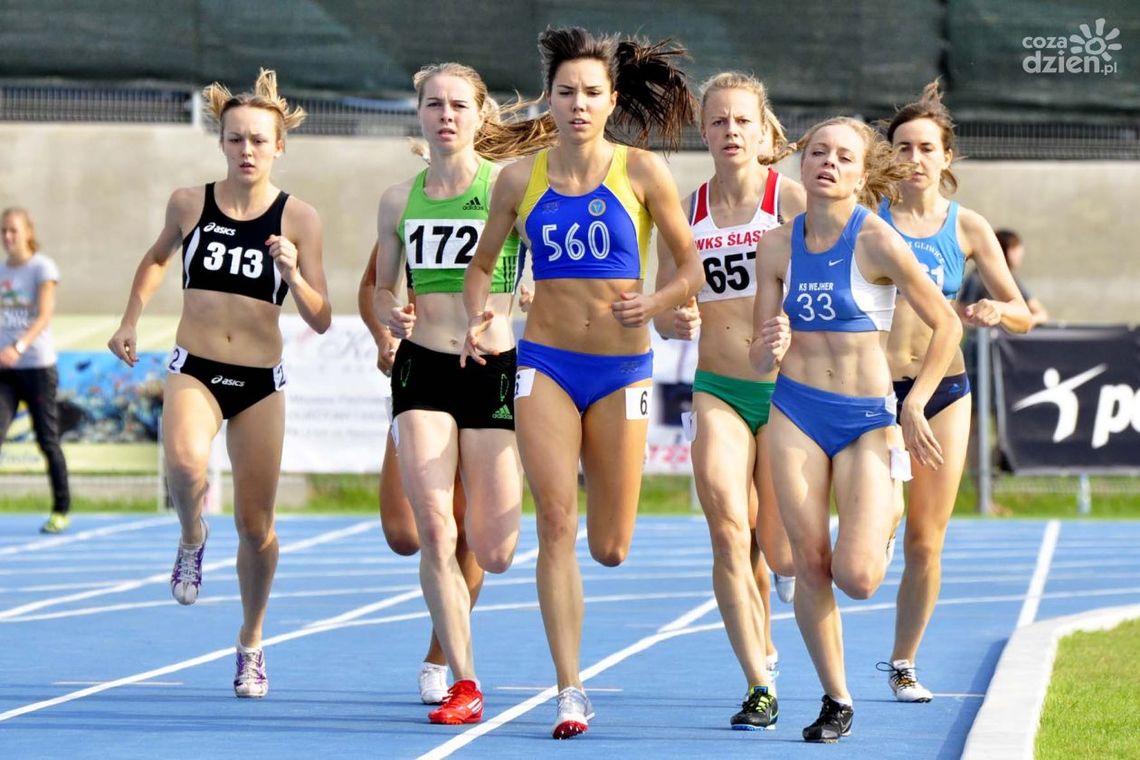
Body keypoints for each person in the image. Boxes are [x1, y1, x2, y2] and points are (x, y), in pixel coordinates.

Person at [462, 26, 704, 739]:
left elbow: (688, 269)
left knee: (610, 545)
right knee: (556, 522)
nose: (577, 104)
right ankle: (570, 688)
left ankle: (576, 667)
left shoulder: (642, 173)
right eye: (565, 92)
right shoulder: (519, 178)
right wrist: (481, 317)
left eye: (591, 93)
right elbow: (483, 266)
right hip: (544, 364)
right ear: (551, 97)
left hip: (623, 369)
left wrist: (657, 305)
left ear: (612, 100)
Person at [107, 69, 331, 698]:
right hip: (196, 366)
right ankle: (189, 535)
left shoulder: (300, 218)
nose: (247, 150)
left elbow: (321, 314)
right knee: (183, 463)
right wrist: (130, 319)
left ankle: (251, 642)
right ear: (222, 143)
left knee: (256, 525)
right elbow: (156, 259)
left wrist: (294, 271)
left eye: (259, 140)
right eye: (236, 139)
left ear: (279, 145)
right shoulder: (190, 202)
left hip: (260, 379)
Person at [750, 116, 962, 742]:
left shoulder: (876, 240)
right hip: (795, 411)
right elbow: (762, 355)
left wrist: (915, 403)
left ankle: (883, 522)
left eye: (844, 157)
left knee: (859, 577)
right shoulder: (777, 245)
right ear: (801, 163)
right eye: (818, 152)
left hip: (870, 418)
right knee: (807, 562)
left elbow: (946, 325)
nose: (829, 164)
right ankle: (835, 698)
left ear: (863, 173)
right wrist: (771, 340)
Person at [373, 62, 552, 725]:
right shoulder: (399, 199)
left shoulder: (510, 186)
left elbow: (547, 257)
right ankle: (465, 680)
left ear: (481, 116)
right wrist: (389, 312)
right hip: (424, 367)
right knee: (433, 527)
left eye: (457, 105)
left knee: (496, 549)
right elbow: (380, 284)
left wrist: (527, 291)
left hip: (492, 367)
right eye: (433, 104)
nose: (445, 115)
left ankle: (459, 646)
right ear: (419, 115)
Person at [653, 71, 804, 730]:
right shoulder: (685, 212)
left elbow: (831, 291)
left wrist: (795, 321)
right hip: (717, 386)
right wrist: (675, 320)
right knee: (726, 531)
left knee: (779, 549)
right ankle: (758, 683)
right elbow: (664, 308)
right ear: (705, 132)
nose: (731, 131)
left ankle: (783, 590)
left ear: (764, 130)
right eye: (718, 121)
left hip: (787, 391)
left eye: (743, 120)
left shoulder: (793, 200)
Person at [878, 82, 1032, 702]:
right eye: (902, 148)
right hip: (874, 389)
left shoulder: (967, 227)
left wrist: (997, 310)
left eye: (925, 148)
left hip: (945, 390)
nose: (914, 158)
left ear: (947, 158)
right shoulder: (868, 220)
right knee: (882, 522)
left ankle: (903, 663)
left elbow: (1023, 312)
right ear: (888, 156)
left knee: (926, 537)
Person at [357, 241, 485, 707]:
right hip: (420, 372)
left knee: (466, 530)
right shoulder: (411, 202)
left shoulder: (504, 198)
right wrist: (384, 335)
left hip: (483, 370)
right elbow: (374, 284)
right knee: (404, 533)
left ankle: (441, 659)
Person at [0, 208, 72, 534]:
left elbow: (44, 315)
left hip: (37, 367)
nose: (7, 238)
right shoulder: (2, 270)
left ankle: (60, 508)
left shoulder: (42, 267)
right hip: (6, 371)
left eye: (13, 231)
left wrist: (18, 346)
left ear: (28, 231)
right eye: (3, 232)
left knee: (47, 440)